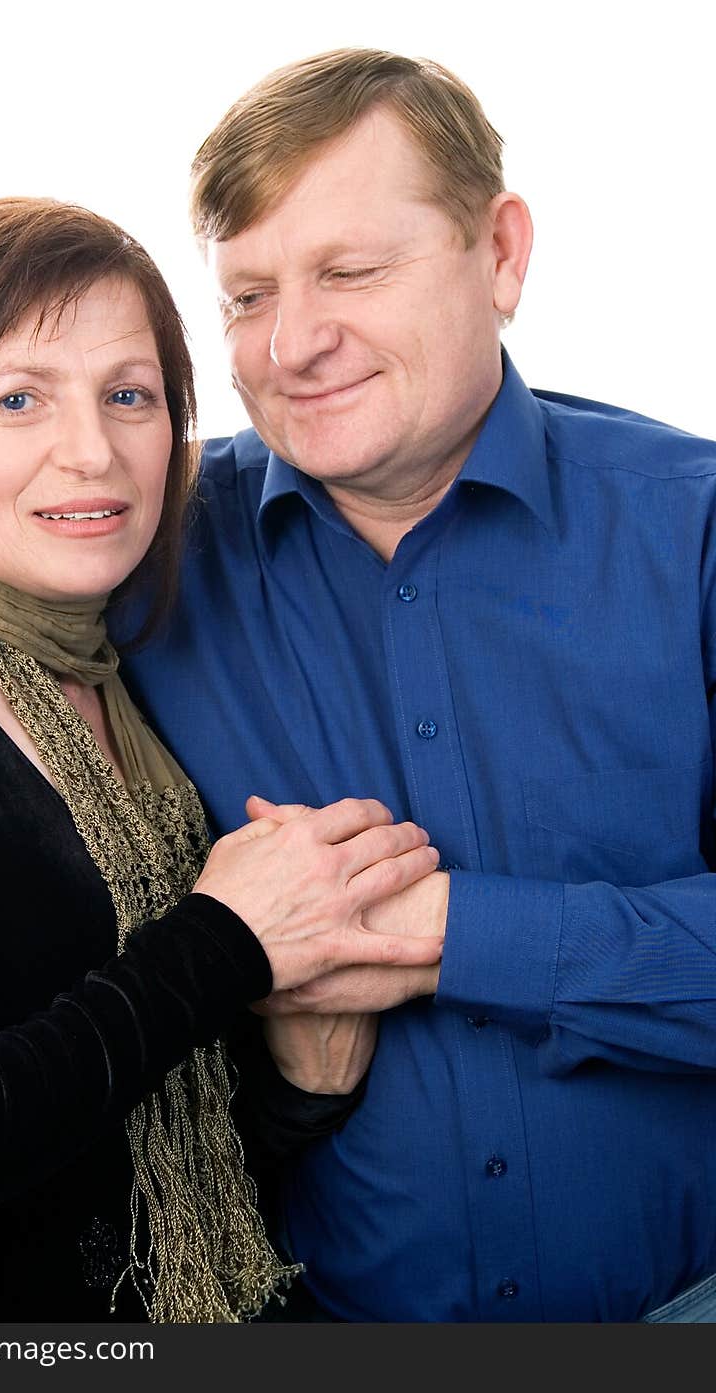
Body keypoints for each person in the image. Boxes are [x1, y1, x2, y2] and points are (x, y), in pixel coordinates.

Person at [118, 48, 716, 1322]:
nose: (292, 344)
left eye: (350, 271)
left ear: (499, 255)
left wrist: (449, 934)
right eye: (245, 296)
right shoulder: (140, 555)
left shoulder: (694, 530)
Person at [0, 196, 443, 1324]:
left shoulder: (120, 672)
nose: (93, 449)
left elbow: (135, 1166)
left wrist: (300, 1083)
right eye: (19, 399)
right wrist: (226, 941)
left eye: (129, 396)